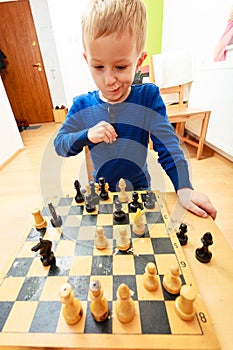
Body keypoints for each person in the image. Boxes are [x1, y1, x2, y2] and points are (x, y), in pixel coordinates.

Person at [54, 0, 217, 220]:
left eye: (120, 67)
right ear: (87, 59)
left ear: (138, 61)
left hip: (140, 194)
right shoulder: (82, 105)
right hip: (104, 197)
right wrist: (87, 135)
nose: (109, 79)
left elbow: (168, 146)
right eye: (98, 67)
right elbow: (60, 145)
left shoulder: (148, 98)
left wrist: (184, 187)